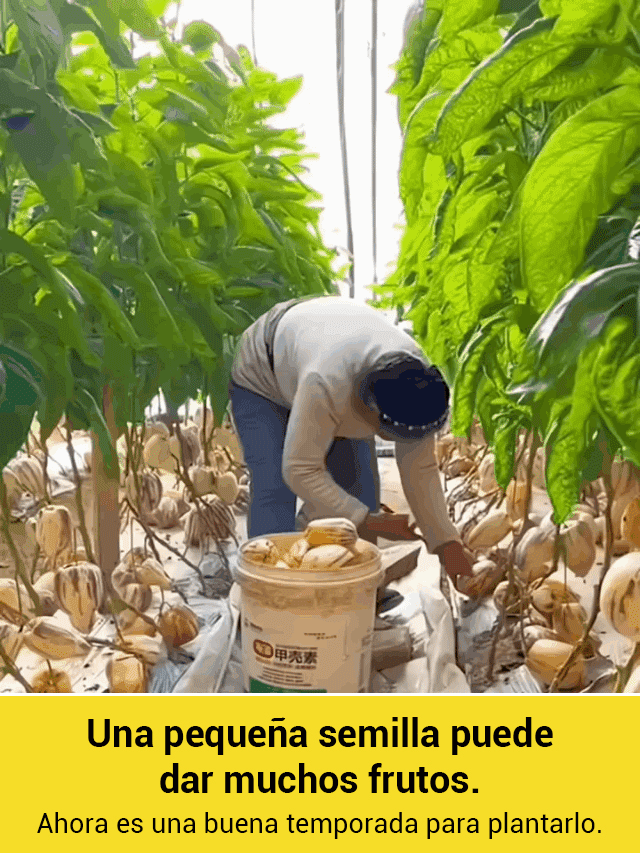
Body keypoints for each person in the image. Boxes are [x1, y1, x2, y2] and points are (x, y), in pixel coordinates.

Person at [228, 295, 473, 584]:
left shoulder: (415, 378)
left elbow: (420, 468)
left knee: (360, 492)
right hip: (263, 375)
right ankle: (271, 590)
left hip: (320, 346)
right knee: (275, 490)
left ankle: (353, 588)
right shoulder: (325, 382)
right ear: (371, 410)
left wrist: (446, 542)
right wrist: (367, 520)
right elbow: (299, 469)